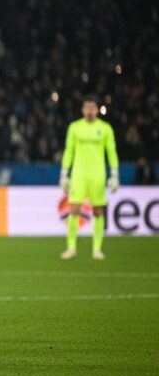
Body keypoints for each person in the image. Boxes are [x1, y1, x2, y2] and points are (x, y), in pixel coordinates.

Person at [60, 96, 119, 260]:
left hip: (97, 174)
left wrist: (115, 173)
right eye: (87, 108)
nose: (90, 111)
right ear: (82, 110)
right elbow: (69, 150)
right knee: (74, 209)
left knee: (98, 212)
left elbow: (111, 151)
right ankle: (71, 248)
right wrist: (64, 172)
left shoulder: (105, 128)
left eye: (92, 107)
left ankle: (97, 249)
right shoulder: (75, 127)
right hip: (79, 174)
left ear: (97, 109)